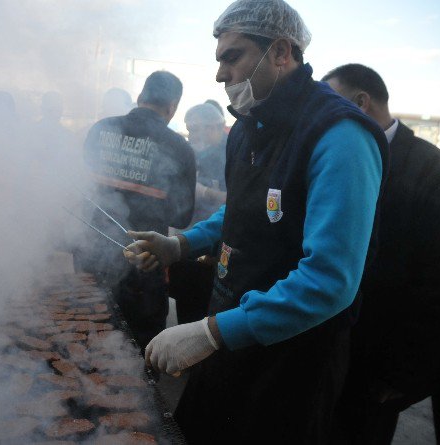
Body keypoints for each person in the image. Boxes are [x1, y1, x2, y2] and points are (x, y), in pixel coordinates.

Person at [123, 1, 388, 442]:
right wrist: (184, 245)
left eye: (233, 56)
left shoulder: (340, 135)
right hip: (230, 333)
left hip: (290, 359)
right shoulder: (248, 127)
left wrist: (210, 332)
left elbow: (330, 279)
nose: (220, 74)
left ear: (281, 51)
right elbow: (244, 210)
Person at [322, 63, 440, 445]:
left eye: (332, 104)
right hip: (328, 349)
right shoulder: (336, 157)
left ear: (361, 103)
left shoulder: (434, 170)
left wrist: (403, 376)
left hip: (378, 364)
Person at [81, 71, 196, 349]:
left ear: (140, 97)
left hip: (91, 255)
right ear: (172, 107)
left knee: (85, 334)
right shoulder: (178, 146)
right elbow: (182, 216)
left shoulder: (100, 129)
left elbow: (80, 188)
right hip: (144, 264)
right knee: (137, 349)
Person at [168, 103, 228, 325]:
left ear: (215, 128)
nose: (191, 135)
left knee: (209, 314)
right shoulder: (191, 151)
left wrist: (206, 192)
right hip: (189, 238)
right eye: (189, 129)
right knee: (186, 306)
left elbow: (239, 202)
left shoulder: (232, 152)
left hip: (216, 247)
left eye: (196, 129)